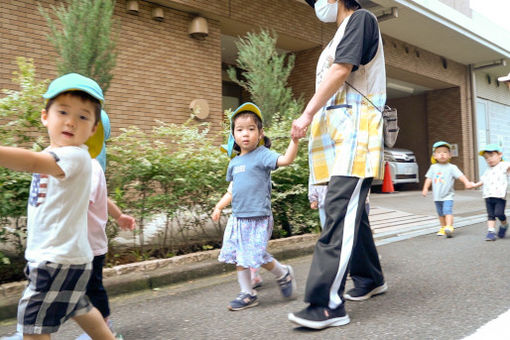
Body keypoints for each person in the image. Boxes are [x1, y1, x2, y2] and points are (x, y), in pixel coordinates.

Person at [289, 0, 387, 329]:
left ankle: (327, 304)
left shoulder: (361, 19)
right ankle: (370, 278)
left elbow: (341, 69)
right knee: (349, 213)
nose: (316, 5)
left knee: (339, 209)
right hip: (337, 133)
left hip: (356, 132)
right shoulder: (339, 33)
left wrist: (306, 113)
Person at [0, 73, 116, 339]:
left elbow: (30, 161)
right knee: (80, 308)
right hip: (66, 257)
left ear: (93, 129)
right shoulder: (60, 155)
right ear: (45, 116)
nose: (71, 121)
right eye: (63, 111)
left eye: (83, 117)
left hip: (56, 260)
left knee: (32, 326)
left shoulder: (74, 156)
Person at [212, 102, 299, 311]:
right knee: (240, 256)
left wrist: (294, 140)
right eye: (240, 130)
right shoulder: (234, 163)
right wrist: (219, 206)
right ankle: (247, 293)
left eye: (251, 129)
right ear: (233, 134)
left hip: (259, 216)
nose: (245, 134)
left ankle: (283, 273)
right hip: (238, 218)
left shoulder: (262, 155)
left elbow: (286, 160)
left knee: (255, 255)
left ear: (260, 133)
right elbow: (232, 191)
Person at [422, 141, 474, 238]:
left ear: (450, 155)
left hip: (447, 196)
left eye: (445, 152)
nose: (442, 154)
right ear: (434, 155)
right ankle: (443, 227)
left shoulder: (452, 167)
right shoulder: (433, 167)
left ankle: (449, 226)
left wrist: (466, 182)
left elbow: (461, 176)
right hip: (437, 196)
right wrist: (425, 188)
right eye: (439, 152)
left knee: (447, 211)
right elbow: (428, 178)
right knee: (440, 214)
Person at [473, 144, 510, 241]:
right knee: (491, 215)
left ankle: (504, 224)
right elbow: (483, 181)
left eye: (491, 156)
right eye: (486, 158)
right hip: (488, 196)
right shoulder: (487, 170)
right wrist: (474, 185)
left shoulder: (503, 165)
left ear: (500, 155)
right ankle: (491, 232)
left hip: (499, 197)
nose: (489, 159)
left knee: (499, 213)